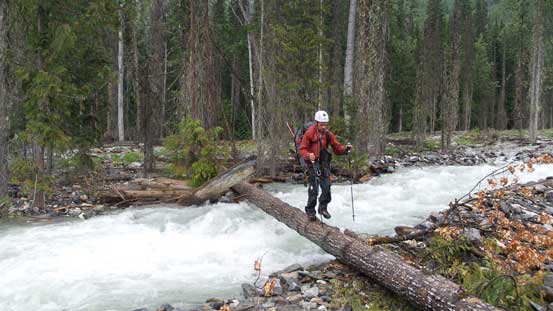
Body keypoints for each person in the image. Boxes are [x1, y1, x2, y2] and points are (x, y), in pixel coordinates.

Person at [299, 111, 352, 221]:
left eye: (325, 124)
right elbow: (302, 150)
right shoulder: (309, 133)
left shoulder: (328, 134)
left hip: (323, 164)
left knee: (327, 186)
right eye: (321, 124)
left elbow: (337, 149)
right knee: (314, 189)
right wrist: (309, 155)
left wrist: (346, 150)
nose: (324, 126)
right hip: (313, 164)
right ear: (317, 122)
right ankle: (310, 211)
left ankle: (322, 208)